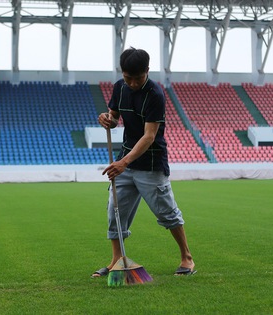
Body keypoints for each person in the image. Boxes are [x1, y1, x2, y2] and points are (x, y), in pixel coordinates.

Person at [91, 47, 196, 278]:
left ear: (147, 71)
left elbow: (149, 136)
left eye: (138, 78)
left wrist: (124, 162)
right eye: (128, 78)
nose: (133, 83)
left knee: (167, 213)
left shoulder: (155, 94)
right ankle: (117, 260)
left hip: (150, 163)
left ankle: (186, 257)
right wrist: (107, 119)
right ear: (122, 73)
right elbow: (114, 117)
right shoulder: (120, 87)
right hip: (126, 160)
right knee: (115, 212)